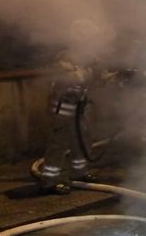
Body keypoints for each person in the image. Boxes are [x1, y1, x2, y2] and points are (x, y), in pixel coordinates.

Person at [40, 19, 103, 195]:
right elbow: (66, 79)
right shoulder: (65, 57)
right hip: (63, 109)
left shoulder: (90, 58)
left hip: (80, 109)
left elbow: (97, 81)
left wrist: (116, 77)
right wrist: (89, 73)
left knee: (81, 141)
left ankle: (79, 173)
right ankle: (49, 181)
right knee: (58, 145)